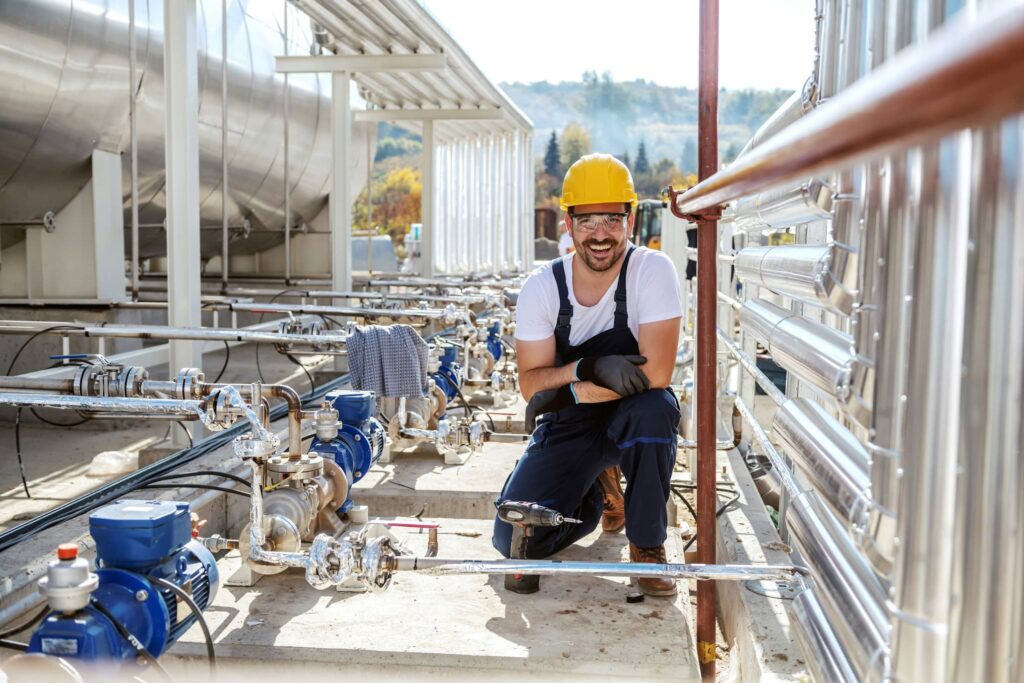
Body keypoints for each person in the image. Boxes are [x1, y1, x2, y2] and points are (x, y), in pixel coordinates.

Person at [492, 153, 683, 596]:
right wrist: (586, 368)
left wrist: (567, 388)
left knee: (655, 410)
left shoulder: (651, 272)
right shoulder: (542, 288)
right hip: (571, 424)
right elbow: (529, 386)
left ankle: (648, 544)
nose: (600, 235)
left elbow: (654, 374)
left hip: (634, 415)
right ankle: (601, 493)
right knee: (516, 539)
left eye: (612, 220)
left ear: (630, 220)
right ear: (568, 222)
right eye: (588, 220)